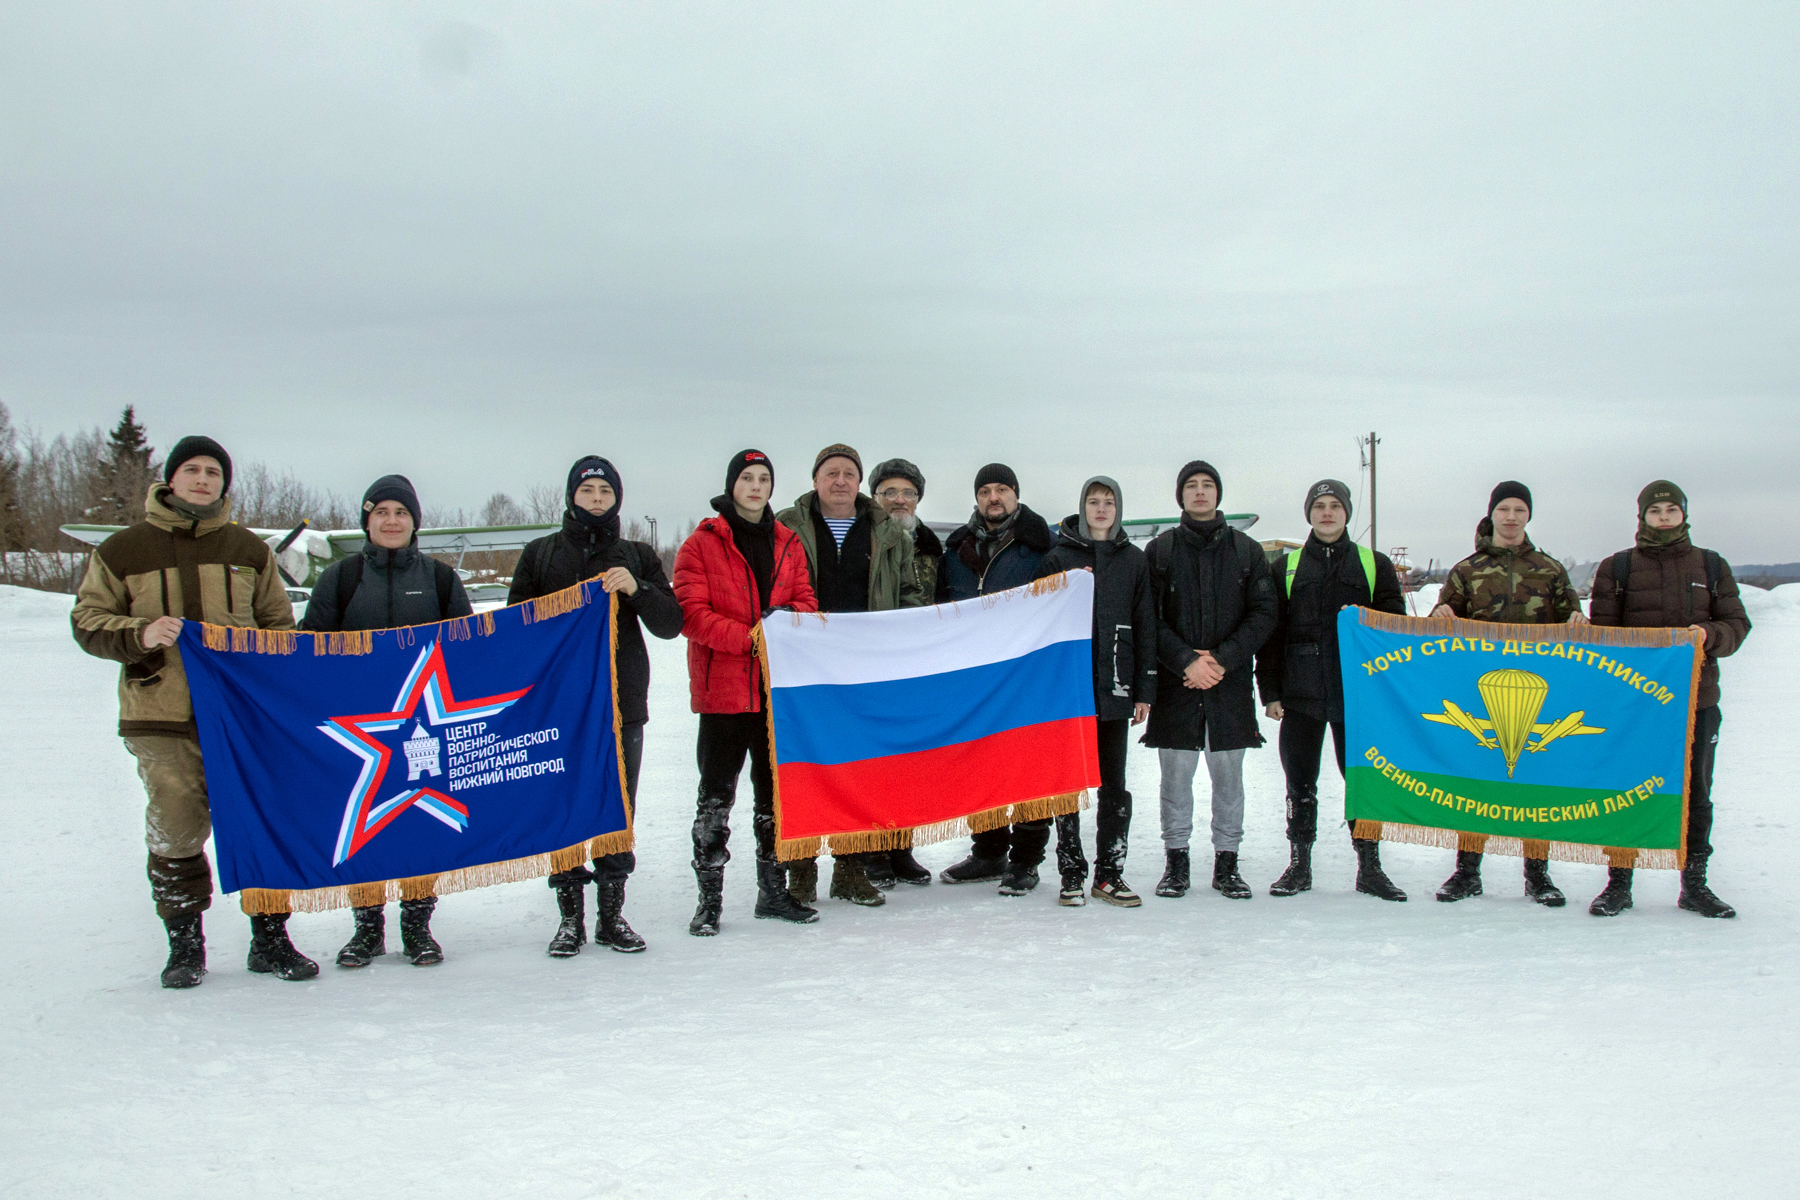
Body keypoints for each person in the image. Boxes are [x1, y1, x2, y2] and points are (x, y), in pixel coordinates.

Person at [71, 436, 315, 987]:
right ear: (171, 478)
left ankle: (270, 940)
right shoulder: (121, 551)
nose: (203, 480)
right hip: (161, 712)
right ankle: (185, 947)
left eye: (213, 472)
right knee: (177, 825)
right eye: (192, 470)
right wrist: (138, 632)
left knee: (258, 821)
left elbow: (279, 628)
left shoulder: (250, 550)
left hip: (242, 718)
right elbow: (88, 621)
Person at [508, 457, 684, 956]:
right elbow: (514, 629)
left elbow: (670, 623)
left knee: (617, 807)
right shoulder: (540, 555)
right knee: (563, 806)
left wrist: (638, 588)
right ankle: (569, 918)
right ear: (572, 497)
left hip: (621, 701)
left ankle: (611, 914)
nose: (598, 498)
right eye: (588, 490)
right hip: (558, 705)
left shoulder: (636, 553)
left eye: (606, 490)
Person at [302, 475, 473, 967]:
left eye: (401, 513)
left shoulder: (441, 578)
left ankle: (418, 926)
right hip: (360, 728)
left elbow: (467, 648)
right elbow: (309, 646)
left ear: (414, 521)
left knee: (419, 820)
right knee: (363, 820)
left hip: (423, 724)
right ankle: (367, 927)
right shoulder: (341, 577)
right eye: (381, 513)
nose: (391, 521)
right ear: (367, 520)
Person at [672, 450, 821, 934]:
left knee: (772, 795)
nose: (755, 487)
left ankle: (772, 892)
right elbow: (691, 612)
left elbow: (805, 600)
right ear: (731, 485)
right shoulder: (701, 544)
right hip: (724, 692)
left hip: (777, 694)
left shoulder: (787, 542)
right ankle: (709, 901)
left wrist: (784, 628)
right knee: (716, 796)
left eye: (763, 479)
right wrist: (750, 639)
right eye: (747, 478)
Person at [1586, 480, 1749, 919]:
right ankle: (1619, 882)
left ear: (1683, 515)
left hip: (1697, 703)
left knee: (1696, 793)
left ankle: (1694, 884)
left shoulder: (1711, 566)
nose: (1663, 518)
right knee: (1626, 792)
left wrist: (1708, 636)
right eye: (1655, 511)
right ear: (1641, 517)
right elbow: (1602, 640)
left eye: (1670, 511)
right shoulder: (1616, 569)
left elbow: (1736, 624)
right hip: (1635, 708)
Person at [776, 444, 925, 906]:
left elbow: (909, 593)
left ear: (859, 481)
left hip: (866, 668)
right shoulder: (784, 525)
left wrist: (902, 640)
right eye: (831, 473)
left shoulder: (886, 530)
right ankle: (800, 873)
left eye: (848, 474)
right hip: (804, 669)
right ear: (815, 479)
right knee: (805, 769)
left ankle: (851, 869)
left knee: (858, 769)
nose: (840, 481)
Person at [1430, 481, 1585, 906]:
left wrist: (1577, 622)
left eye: (1519, 509)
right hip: (1481, 695)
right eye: (1504, 509)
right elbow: (1437, 632)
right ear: (1492, 514)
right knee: (1476, 781)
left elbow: (1575, 629)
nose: (1511, 516)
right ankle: (1467, 872)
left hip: (1537, 695)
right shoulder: (1467, 570)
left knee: (1535, 784)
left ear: (1528, 516)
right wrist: (1440, 614)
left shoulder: (1550, 570)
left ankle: (1538, 876)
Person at [1255, 480, 1409, 902]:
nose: (1327, 513)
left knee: (1362, 781)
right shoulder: (1286, 567)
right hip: (1301, 693)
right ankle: (1299, 864)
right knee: (1300, 781)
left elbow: (1398, 629)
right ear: (1309, 513)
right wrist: (1270, 691)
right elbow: (1271, 635)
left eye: (1335, 506)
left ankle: (1370, 867)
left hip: (1358, 697)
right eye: (1319, 506)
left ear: (1347, 513)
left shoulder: (1373, 564)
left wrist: (1366, 616)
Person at [1141, 461, 1278, 901]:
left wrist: (1222, 658)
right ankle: (1176, 861)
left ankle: (1227, 863)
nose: (1200, 492)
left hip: (1228, 684)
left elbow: (1264, 613)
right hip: (1176, 686)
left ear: (1218, 494)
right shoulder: (1160, 551)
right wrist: (1185, 661)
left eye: (1208, 485)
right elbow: (1149, 618)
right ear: (1180, 495)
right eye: (1191, 486)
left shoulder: (1246, 551)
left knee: (1229, 779)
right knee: (1176, 780)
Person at [1032, 477, 1156, 906]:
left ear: (1118, 509)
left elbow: (1146, 625)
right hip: (1069, 691)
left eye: (1109, 502)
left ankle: (1110, 873)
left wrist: (1145, 688)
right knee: (1069, 782)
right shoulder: (1057, 559)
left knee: (1114, 783)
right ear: (1082, 507)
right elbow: (1038, 623)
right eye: (1093, 501)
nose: (1101, 509)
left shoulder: (1133, 561)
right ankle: (1071, 870)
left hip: (1116, 687)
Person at [936, 463, 1057, 892]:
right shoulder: (956, 548)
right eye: (985, 490)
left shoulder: (1043, 544)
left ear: (1016, 495)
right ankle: (988, 852)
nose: (994, 497)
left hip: (1027, 675)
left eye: (1002, 489)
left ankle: (1025, 859)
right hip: (974, 676)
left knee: (1029, 768)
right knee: (980, 765)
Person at [867, 455, 942, 888]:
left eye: (908, 493)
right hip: (872, 665)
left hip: (918, 668)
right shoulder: (867, 539)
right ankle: (872, 850)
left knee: (910, 762)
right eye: (889, 492)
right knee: (874, 760)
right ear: (875, 497)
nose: (899, 500)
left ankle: (901, 848)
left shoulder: (933, 546)